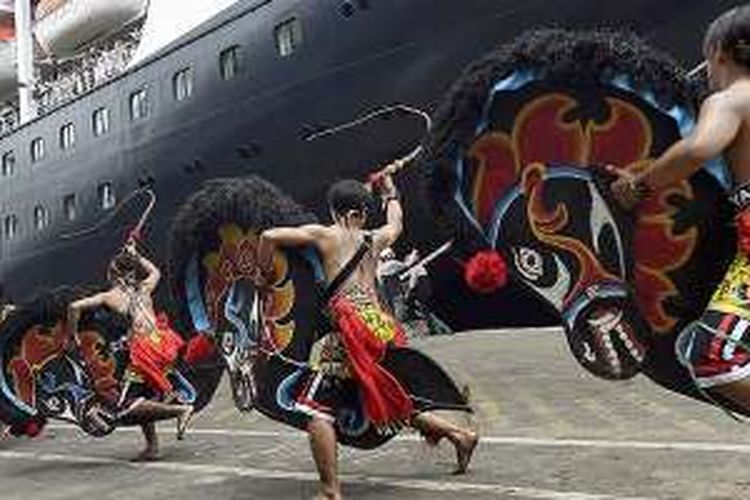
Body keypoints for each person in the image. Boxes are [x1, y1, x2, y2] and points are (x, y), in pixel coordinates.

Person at [259, 171, 477, 500]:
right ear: (362, 213)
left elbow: (268, 235)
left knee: (316, 409)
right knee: (385, 392)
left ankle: (330, 491)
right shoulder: (376, 238)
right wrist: (390, 192)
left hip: (349, 330)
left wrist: (264, 278)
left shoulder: (325, 235)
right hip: (381, 325)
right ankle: (459, 435)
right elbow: (397, 223)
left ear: (337, 212)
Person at [609, 6, 750, 414]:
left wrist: (639, 183)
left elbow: (697, 149)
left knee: (715, 358)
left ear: (719, 52)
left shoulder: (728, 100)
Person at [67, 240, 193, 461]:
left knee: (122, 406)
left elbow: (74, 306)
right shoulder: (145, 288)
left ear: (113, 274)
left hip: (145, 353)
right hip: (164, 343)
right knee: (141, 396)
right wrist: (137, 255)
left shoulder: (111, 297)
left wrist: (72, 335)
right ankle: (152, 446)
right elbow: (155, 271)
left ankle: (180, 410)